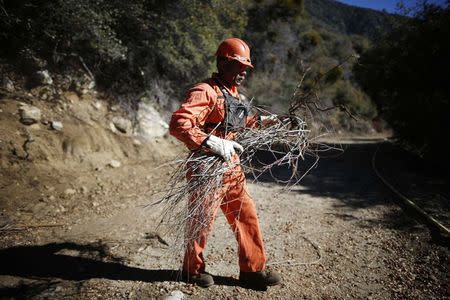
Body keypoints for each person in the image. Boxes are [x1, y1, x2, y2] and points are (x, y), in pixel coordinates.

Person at [169, 38, 281, 289]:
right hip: (206, 167)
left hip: (231, 166)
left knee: (247, 215)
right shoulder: (205, 90)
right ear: (221, 62)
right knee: (201, 220)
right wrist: (211, 143)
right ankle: (192, 270)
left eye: (245, 68)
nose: (243, 72)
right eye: (237, 66)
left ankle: (252, 271)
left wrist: (263, 121)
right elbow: (179, 124)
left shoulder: (233, 93)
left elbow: (236, 123)